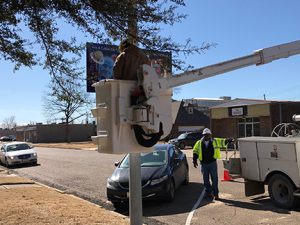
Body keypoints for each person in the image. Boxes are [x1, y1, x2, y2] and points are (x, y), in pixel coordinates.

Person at [193, 128, 233, 200]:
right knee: (205, 180)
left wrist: (228, 140)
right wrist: (194, 161)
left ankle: (215, 194)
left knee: (214, 179)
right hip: (204, 164)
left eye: (208, 135)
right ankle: (208, 193)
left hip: (212, 163)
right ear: (203, 135)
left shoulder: (215, 141)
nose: (206, 136)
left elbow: (223, 141)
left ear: (210, 135)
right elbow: (195, 151)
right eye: (205, 135)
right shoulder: (199, 142)